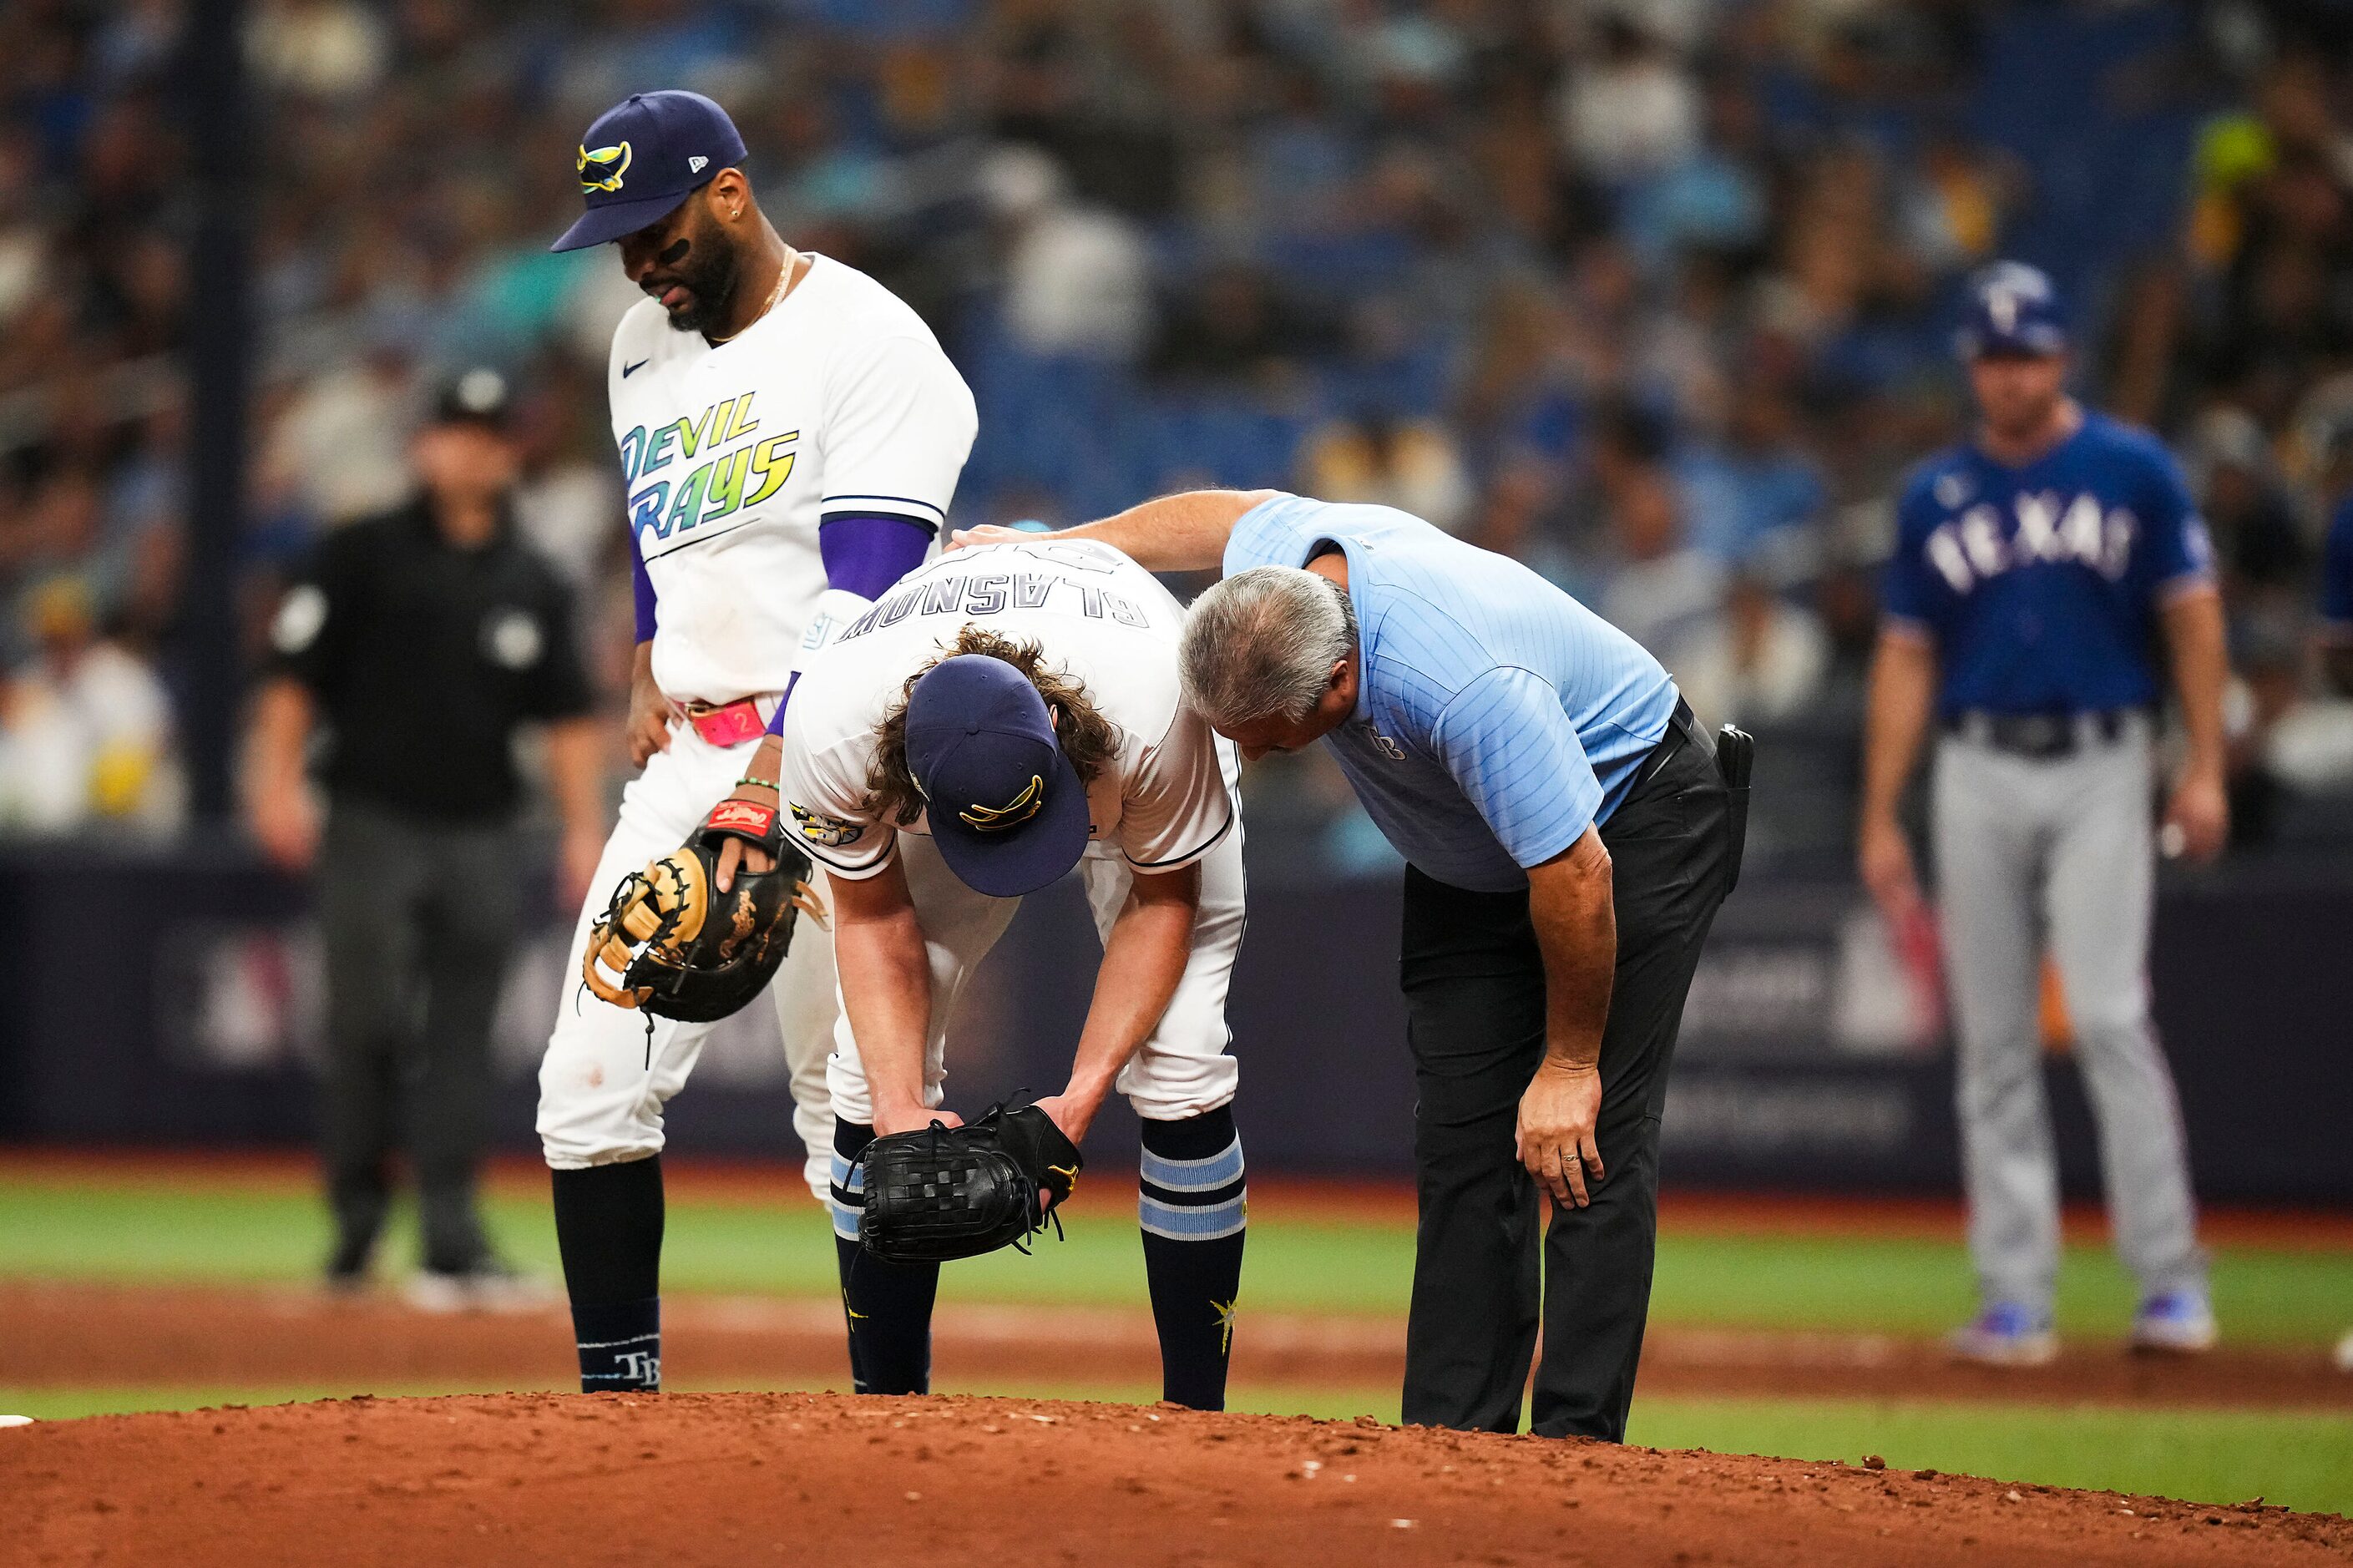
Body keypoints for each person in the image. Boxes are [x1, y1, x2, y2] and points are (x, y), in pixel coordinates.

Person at [954, 491, 1746, 1442]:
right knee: (1462, 1146)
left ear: (1337, 685)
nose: (1244, 749)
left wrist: (1568, 1064)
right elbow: (1223, 514)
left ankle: (1577, 1451)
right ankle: (1452, 1441)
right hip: (1473, 851)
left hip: (1628, 821)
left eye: (1263, 735)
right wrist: (1059, 549)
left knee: (1586, 1144)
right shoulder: (1284, 563)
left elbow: (1576, 875)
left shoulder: (1464, 687)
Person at [535, 90, 976, 1393]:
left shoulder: (869, 342)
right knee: (584, 1091)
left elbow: (869, 593)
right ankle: (623, 1417)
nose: (635, 259)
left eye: (654, 226)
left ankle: (890, 1418)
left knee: (841, 1107)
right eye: (615, 237)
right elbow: (653, 521)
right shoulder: (636, 344)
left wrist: (775, 778)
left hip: (844, 759)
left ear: (728, 190)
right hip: (687, 758)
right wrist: (643, 650)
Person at [749, 537, 1247, 1408]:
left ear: (1054, 730)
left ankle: (1198, 1418)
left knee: (1184, 1057)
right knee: (866, 1090)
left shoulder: (1158, 706)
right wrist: (903, 1109)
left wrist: (1076, 1105)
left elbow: (1162, 901)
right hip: (936, 753)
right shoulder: (833, 731)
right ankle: (887, 1412)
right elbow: (871, 918)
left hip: (1131, 745)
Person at [1855, 262, 2229, 1365]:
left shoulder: (2130, 468)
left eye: (2024, 355)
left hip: (2103, 759)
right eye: (1990, 356)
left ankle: (2168, 1283)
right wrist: (1881, 810)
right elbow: (1904, 655)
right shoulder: (1934, 492)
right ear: (1970, 364)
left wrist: (2202, 765)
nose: (2007, 374)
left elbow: (2194, 618)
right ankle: (2013, 1295)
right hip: (1973, 765)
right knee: (1994, 1042)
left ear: (2060, 357)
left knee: (2109, 1014)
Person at [246, 367, 603, 1308]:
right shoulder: (359, 553)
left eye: (491, 434)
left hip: (483, 830)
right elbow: (293, 675)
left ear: (510, 451)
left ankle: (450, 1235)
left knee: (461, 1037)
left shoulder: (534, 576)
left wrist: (581, 829)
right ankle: (356, 1229)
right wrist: (273, 784)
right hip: (371, 821)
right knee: (363, 1022)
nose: (473, 449)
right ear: (424, 445)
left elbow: (567, 717)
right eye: (457, 431)